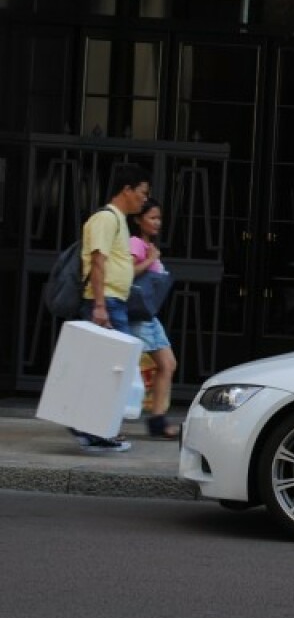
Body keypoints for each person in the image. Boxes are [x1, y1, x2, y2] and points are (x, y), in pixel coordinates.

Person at [71, 163, 151, 453]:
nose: (144, 199)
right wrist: (101, 305)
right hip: (106, 302)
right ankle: (98, 432)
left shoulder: (117, 219)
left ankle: (88, 428)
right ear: (126, 190)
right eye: (141, 193)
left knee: (103, 369)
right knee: (113, 370)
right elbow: (98, 261)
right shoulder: (106, 219)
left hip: (113, 301)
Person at [129, 198, 179, 439]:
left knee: (167, 364)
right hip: (138, 317)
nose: (157, 222)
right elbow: (126, 274)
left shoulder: (147, 245)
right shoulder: (136, 244)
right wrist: (149, 260)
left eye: (159, 218)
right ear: (138, 220)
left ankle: (157, 420)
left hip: (149, 317)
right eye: (152, 218)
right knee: (129, 369)